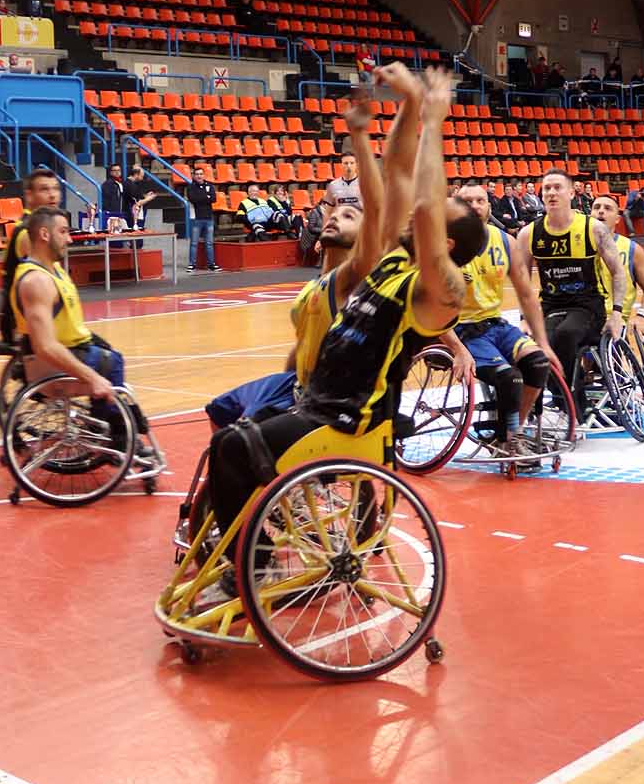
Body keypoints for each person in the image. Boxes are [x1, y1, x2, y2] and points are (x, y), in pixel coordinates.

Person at [207, 67, 486, 558]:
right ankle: (250, 547)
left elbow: (422, 201)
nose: (430, 204)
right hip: (317, 401)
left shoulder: (442, 289)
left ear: (443, 242)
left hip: (352, 417)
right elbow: (398, 171)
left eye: (442, 209)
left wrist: (436, 121)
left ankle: (252, 560)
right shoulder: (397, 257)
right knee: (229, 435)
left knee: (232, 449)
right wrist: (408, 105)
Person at [206, 68, 404, 428]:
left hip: (329, 399)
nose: (334, 218)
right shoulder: (319, 282)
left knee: (241, 437)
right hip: (298, 384)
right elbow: (302, 348)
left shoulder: (357, 274)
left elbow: (376, 214)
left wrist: (358, 135)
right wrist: (285, 381)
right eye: (334, 212)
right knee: (220, 409)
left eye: (348, 215)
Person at [10, 206, 156, 460]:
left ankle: (113, 427)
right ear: (44, 234)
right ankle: (114, 436)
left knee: (108, 353)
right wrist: (94, 378)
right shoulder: (37, 281)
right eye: (64, 232)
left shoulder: (53, 270)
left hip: (71, 348)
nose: (69, 238)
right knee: (111, 364)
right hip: (49, 365)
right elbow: (44, 346)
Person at [455, 183, 560, 457]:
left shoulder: (503, 241)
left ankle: (513, 431)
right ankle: (507, 440)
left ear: (489, 206)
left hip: (494, 324)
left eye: (481, 200)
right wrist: (455, 348)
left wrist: (543, 342)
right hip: (459, 331)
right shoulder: (442, 244)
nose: (475, 206)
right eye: (468, 201)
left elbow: (526, 294)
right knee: (510, 378)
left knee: (538, 363)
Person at [516, 168, 624, 402]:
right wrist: (524, 318)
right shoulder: (528, 234)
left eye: (557, 187)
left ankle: (574, 406)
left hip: (588, 306)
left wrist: (616, 313)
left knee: (564, 335)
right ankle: (558, 402)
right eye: (547, 188)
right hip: (552, 306)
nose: (552, 193)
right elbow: (522, 282)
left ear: (572, 193)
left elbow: (617, 271)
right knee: (530, 344)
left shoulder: (593, 228)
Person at [0, 169, 63, 347]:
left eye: (55, 189)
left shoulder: (41, 226)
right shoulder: (28, 232)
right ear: (29, 195)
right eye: (44, 189)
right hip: (22, 320)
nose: (52, 195)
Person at [590, 194, 644, 335]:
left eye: (608, 208)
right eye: (596, 208)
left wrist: (641, 315)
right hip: (585, 316)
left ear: (617, 219)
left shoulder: (632, 249)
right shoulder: (577, 245)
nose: (601, 211)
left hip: (616, 320)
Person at [185, 164, 218, 272]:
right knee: (194, 243)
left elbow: (213, 199)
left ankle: (211, 264)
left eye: (201, 174)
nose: (199, 176)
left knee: (209, 243)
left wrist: (203, 197)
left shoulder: (210, 185)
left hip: (209, 218)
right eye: (197, 174)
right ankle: (192, 264)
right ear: (194, 176)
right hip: (196, 218)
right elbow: (193, 199)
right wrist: (206, 196)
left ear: (204, 175)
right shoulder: (190, 187)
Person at [127, 163, 158, 229]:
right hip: (133, 214)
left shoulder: (134, 184)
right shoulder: (130, 185)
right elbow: (137, 203)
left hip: (138, 212)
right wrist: (149, 198)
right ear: (135, 174)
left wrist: (146, 196)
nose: (142, 178)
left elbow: (138, 196)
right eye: (141, 176)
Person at [100, 164, 131, 229]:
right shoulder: (107, 184)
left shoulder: (123, 183)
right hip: (112, 215)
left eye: (119, 170)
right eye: (115, 170)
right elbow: (107, 201)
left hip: (122, 214)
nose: (117, 172)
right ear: (111, 172)